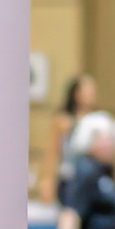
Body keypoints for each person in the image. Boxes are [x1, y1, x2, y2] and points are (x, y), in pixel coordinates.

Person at [45, 72, 99, 202]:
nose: (91, 95)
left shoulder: (97, 121)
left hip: (91, 179)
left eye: (93, 91)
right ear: (77, 93)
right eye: (87, 91)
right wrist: (47, 182)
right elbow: (52, 153)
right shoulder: (63, 121)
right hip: (70, 179)